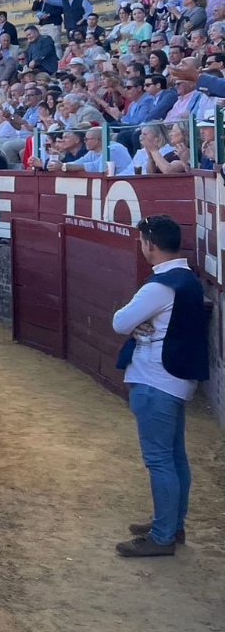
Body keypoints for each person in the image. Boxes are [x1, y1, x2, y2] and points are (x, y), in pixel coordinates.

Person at [110, 215, 209, 557]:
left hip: (155, 380)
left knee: (160, 460)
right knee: (174, 457)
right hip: (176, 380)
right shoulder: (188, 280)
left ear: (150, 244)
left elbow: (120, 321)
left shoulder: (159, 286)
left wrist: (139, 324)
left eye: (142, 241)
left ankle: (163, 535)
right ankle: (170, 523)